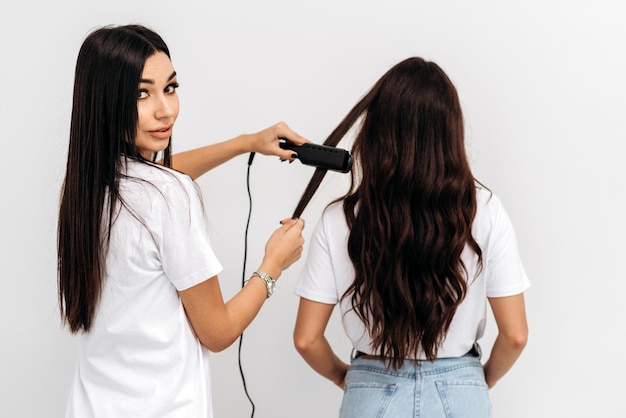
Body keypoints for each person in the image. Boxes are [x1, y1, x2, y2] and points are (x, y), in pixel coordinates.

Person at [57, 24, 306, 417]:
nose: (165, 109)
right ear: (106, 101)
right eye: (142, 93)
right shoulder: (167, 196)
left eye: (170, 87)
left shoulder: (87, 188)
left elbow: (163, 177)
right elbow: (218, 332)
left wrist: (245, 143)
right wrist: (273, 264)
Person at [292, 57, 530, 418]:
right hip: (461, 391)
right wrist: (476, 381)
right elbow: (515, 335)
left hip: (370, 391)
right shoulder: (486, 210)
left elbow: (307, 339)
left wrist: (351, 378)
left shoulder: (338, 218)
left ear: (375, 133)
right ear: (450, 131)